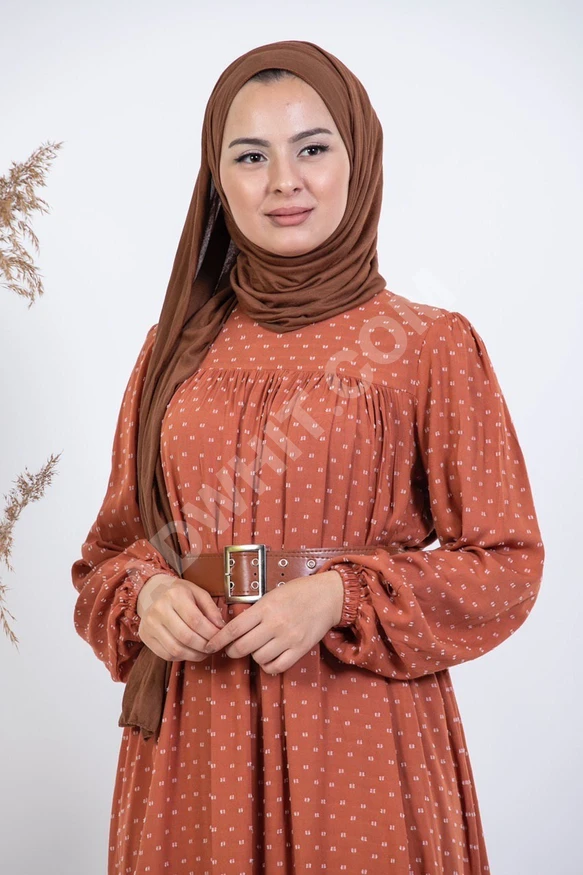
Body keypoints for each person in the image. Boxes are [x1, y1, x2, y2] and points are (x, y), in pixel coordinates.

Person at [71, 40, 545, 875]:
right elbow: (108, 555)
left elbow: (506, 563)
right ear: (218, 180)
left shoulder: (428, 345)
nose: (283, 181)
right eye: (250, 156)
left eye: (312, 148)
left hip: (359, 731)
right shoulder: (171, 349)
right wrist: (145, 596)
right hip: (196, 737)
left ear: (357, 160)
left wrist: (338, 596)